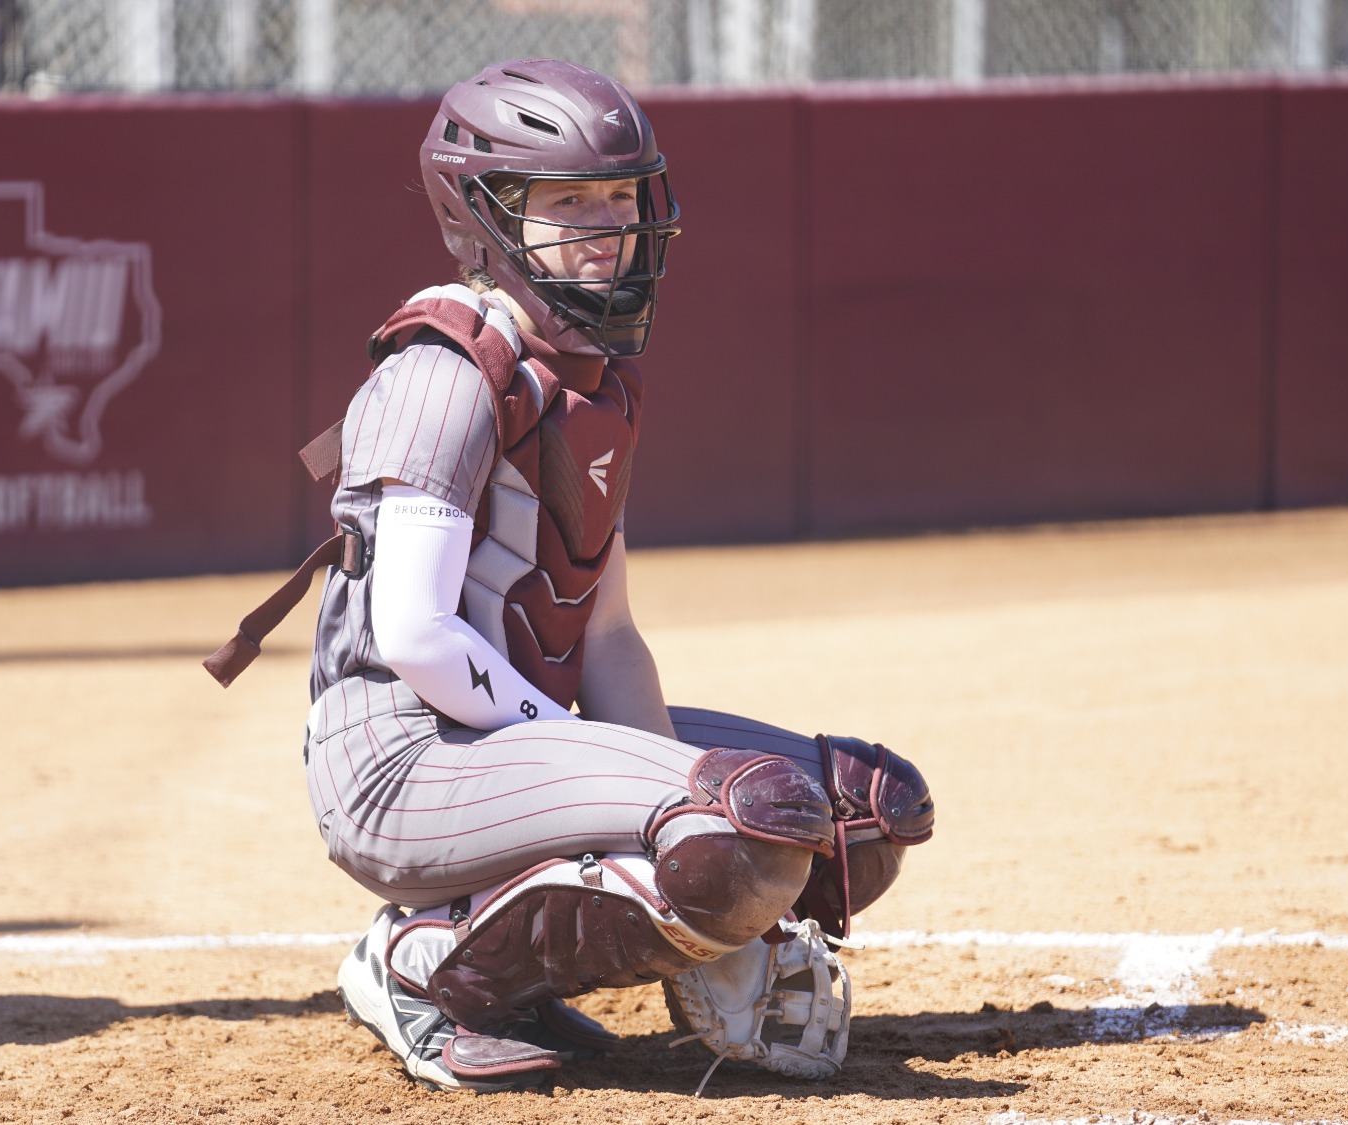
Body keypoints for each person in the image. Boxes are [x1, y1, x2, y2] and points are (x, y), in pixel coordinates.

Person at [205, 58, 934, 1094]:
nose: (607, 223)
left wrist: (673, 808)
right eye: (568, 200)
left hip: (504, 741)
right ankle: (419, 968)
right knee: (735, 829)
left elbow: (608, 639)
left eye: (619, 196)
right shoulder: (441, 377)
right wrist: (664, 814)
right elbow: (413, 636)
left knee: (853, 815)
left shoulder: (589, 380)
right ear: (481, 215)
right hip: (399, 765)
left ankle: (504, 960)